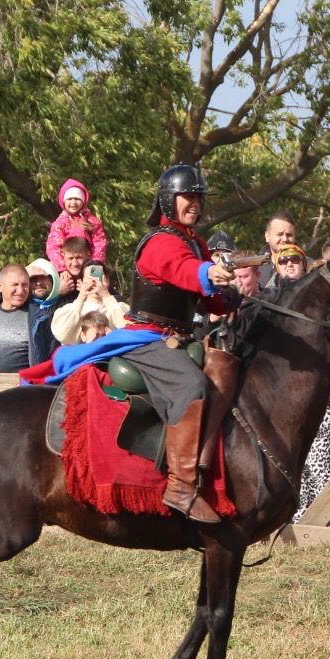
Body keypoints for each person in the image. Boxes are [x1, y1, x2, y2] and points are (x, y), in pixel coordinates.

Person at [120, 164, 237, 522]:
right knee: (191, 384)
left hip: (180, 336)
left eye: (199, 197)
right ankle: (180, 487)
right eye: (188, 196)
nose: (195, 203)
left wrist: (231, 294)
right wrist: (207, 272)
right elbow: (183, 270)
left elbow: (211, 300)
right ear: (169, 200)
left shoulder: (194, 242)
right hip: (146, 337)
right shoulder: (160, 242)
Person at [0, 264, 53, 373]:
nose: (20, 291)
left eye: (25, 285)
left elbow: (50, 356)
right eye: (15, 285)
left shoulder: (41, 318)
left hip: (22, 388)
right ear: (0, 286)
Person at [51, 261, 129, 345]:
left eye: (99, 277)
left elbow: (128, 329)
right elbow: (62, 335)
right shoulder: (67, 310)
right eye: (89, 278)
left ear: (107, 281)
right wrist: (80, 298)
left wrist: (106, 296)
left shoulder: (119, 307)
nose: (94, 281)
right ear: (80, 282)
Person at [45, 178, 108, 264]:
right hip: (68, 266)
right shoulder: (59, 224)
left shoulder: (92, 221)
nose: (73, 202)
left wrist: (95, 264)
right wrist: (62, 268)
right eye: (70, 199)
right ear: (64, 201)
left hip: (88, 265)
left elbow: (99, 243)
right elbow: (53, 247)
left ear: (83, 201)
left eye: (77, 199)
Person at [257, 210, 298, 287]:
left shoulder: (309, 266)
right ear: (267, 236)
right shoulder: (255, 267)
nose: (285, 239)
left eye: (289, 235)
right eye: (280, 234)